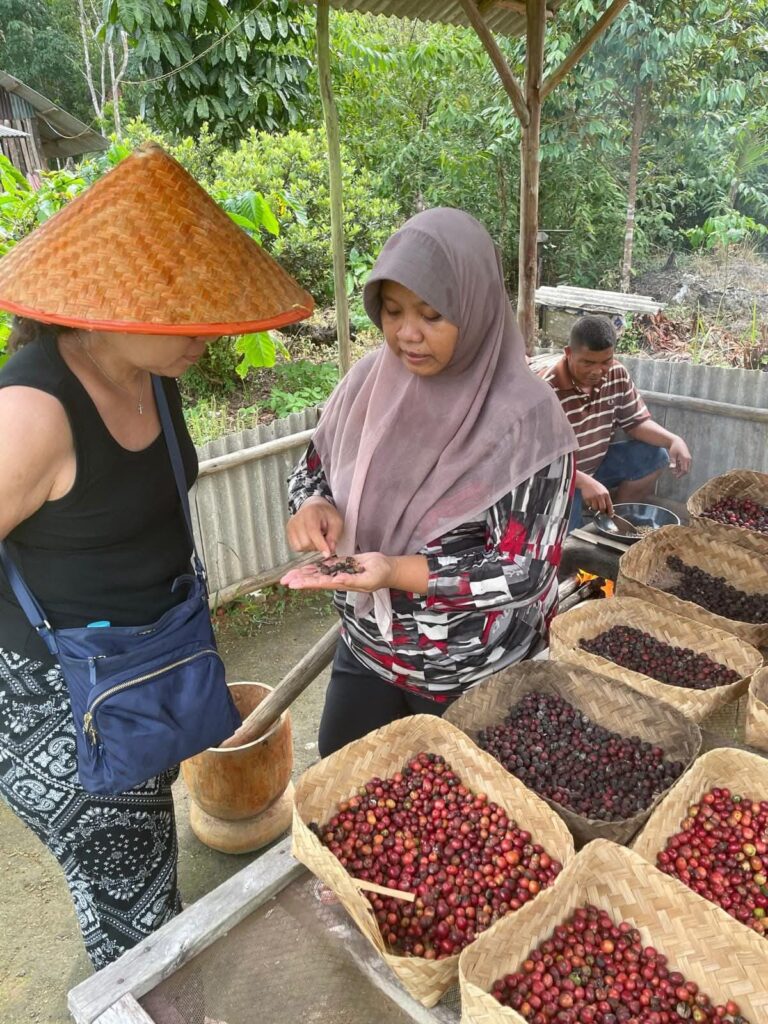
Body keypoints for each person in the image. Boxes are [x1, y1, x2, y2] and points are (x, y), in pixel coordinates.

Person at [0, 143, 312, 971]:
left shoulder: (156, 376)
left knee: (139, 871)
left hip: (146, 678)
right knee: (135, 915)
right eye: (186, 311)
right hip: (63, 708)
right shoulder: (33, 411)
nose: (207, 334)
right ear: (103, 307)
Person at [281, 208, 577, 757]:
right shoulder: (369, 383)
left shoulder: (525, 423)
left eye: (432, 314)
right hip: (367, 644)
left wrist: (397, 571)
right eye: (392, 312)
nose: (407, 334)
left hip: (467, 673)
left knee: (456, 820)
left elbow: (526, 571)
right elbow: (310, 471)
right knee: (343, 776)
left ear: (475, 309)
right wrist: (312, 503)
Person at [538, 314, 691, 531]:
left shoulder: (616, 374)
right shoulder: (546, 390)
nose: (597, 371)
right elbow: (538, 462)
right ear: (569, 354)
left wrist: (673, 440)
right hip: (556, 482)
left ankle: (612, 521)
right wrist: (582, 482)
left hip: (596, 467)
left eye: (605, 361)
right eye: (588, 362)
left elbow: (635, 423)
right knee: (570, 544)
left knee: (655, 456)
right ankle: (578, 521)